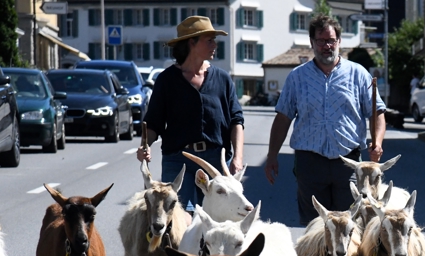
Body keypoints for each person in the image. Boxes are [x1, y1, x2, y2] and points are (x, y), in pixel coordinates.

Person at [265, 14, 386, 225]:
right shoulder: (297, 77)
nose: (326, 46)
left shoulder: (358, 74)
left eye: (331, 40)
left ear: (339, 41)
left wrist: (378, 143)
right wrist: (272, 155)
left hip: (348, 164)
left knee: (349, 225)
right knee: (314, 227)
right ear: (312, 43)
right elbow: (283, 118)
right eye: (320, 41)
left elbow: (377, 113)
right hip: (310, 164)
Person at [137, 16, 244, 213]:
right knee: (176, 216)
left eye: (214, 40)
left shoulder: (223, 79)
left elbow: (236, 120)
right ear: (191, 43)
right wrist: (145, 146)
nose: (215, 45)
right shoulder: (166, 80)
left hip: (215, 160)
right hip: (178, 159)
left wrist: (237, 157)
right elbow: (153, 123)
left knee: (217, 218)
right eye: (209, 40)